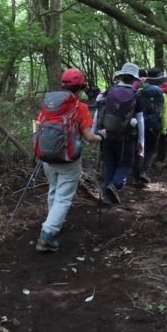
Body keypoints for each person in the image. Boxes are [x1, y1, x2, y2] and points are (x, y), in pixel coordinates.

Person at [35, 68, 106, 253]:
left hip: (47, 157)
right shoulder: (79, 107)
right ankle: (47, 235)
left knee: (54, 190)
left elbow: (38, 125)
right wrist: (102, 136)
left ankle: (52, 222)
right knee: (64, 197)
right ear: (80, 87)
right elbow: (89, 137)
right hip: (69, 159)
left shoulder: (48, 105)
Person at [95, 62, 145, 205]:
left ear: (121, 75)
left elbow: (98, 113)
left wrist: (94, 133)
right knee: (125, 163)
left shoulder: (109, 91)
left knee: (109, 164)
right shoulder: (136, 94)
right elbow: (140, 120)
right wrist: (141, 141)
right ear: (134, 79)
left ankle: (106, 196)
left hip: (107, 134)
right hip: (126, 137)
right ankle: (115, 185)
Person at [132, 67, 166, 184]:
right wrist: (163, 128)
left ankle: (135, 175)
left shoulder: (140, 90)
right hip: (154, 124)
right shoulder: (161, 93)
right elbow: (163, 112)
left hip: (138, 123)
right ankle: (145, 172)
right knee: (150, 149)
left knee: (138, 148)